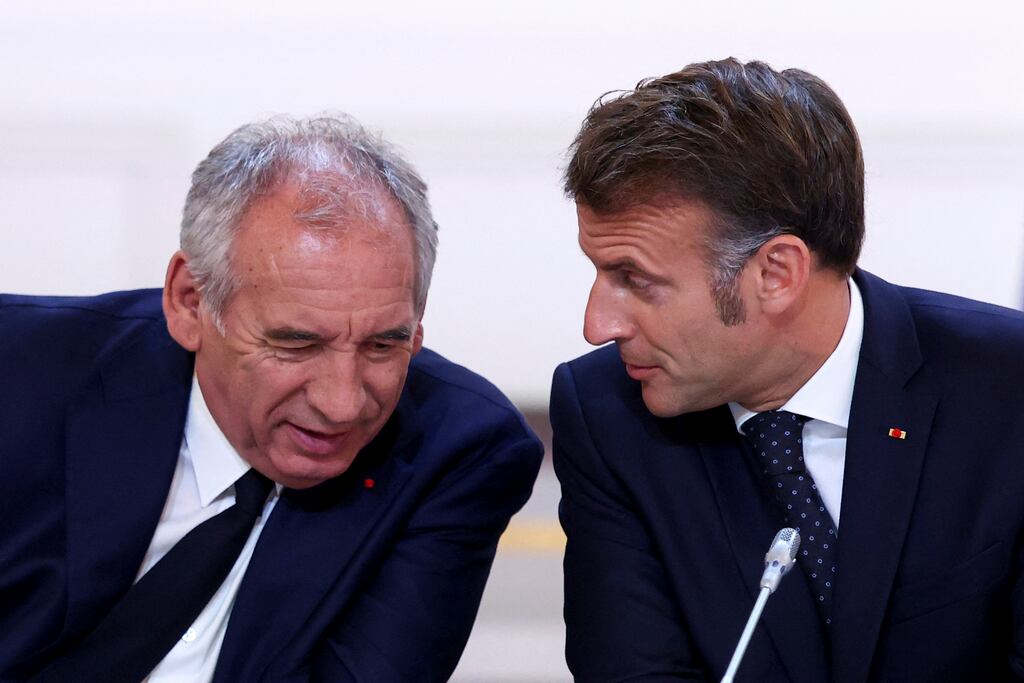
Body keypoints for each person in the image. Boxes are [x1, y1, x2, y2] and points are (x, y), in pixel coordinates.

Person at [0, 115, 543, 682]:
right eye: (296, 344)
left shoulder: (456, 449)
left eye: (384, 345)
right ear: (190, 303)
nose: (342, 404)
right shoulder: (21, 373)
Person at [552, 58, 1024, 682]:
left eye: (635, 280)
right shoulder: (607, 417)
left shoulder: (1005, 389)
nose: (598, 325)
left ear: (776, 273)